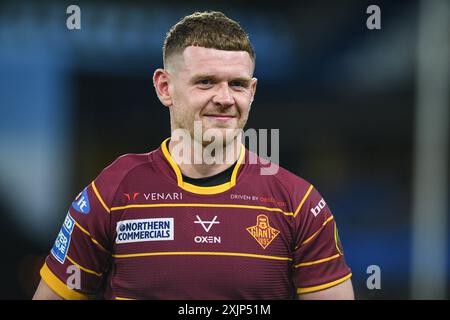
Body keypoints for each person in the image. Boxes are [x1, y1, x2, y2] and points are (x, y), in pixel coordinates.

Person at [33, 11, 353, 300]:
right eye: (206, 82)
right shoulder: (113, 190)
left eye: (238, 84)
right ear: (164, 87)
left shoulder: (299, 203)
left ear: (252, 92)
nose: (225, 98)